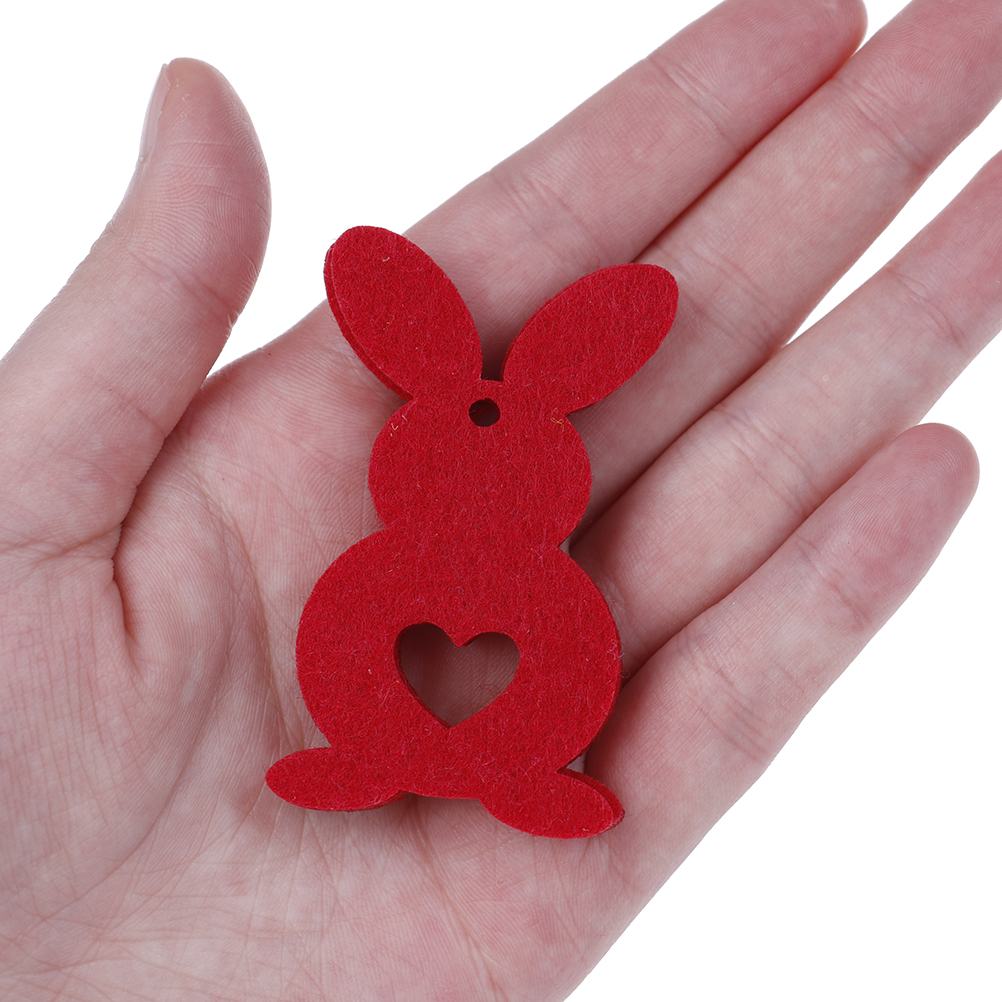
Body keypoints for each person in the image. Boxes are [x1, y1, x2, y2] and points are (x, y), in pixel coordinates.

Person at [1, 0, 999, 997]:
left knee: (549, 663)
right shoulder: (373, 576)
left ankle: (516, 774)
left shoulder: (545, 586)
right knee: (375, 654)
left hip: (524, 676)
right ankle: (383, 760)